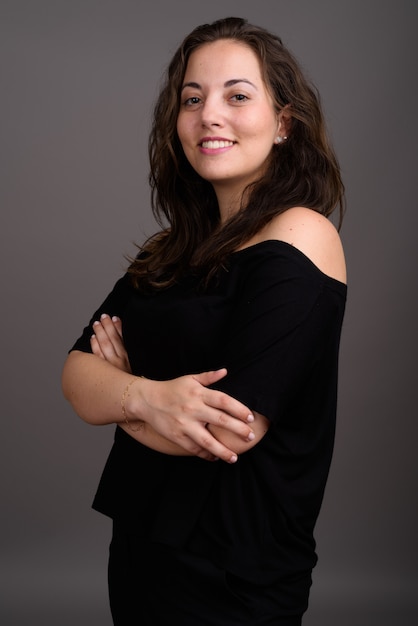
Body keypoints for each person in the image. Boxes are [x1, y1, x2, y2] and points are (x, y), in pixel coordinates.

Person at [62, 16, 347, 626]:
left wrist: (129, 399)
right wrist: (152, 398)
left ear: (284, 124)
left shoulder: (303, 234)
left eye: (237, 96)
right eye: (192, 99)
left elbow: (226, 434)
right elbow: (77, 378)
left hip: (235, 573)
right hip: (142, 550)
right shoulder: (167, 252)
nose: (209, 115)